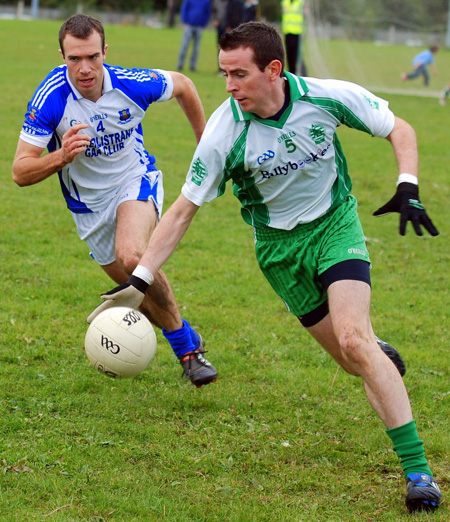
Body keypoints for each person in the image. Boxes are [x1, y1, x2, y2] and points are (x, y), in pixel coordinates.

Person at [87, 22, 441, 512]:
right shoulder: (223, 131)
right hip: (278, 253)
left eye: (239, 73)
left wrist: (407, 183)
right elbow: (183, 210)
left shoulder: (324, 96)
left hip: (335, 227)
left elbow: (398, 127)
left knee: (354, 340)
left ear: (274, 70)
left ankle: (418, 472)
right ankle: (374, 352)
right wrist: (141, 277)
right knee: (352, 358)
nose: (229, 86)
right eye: (223, 73)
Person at [12, 14, 218, 388]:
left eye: (92, 56)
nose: (85, 68)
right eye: (74, 59)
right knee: (134, 287)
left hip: (133, 180)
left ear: (105, 51)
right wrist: (61, 156)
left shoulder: (131, 84)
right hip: (87, 209)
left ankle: (188, 355)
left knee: (133, 258)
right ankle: (186, 336)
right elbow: (19, 171)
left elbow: (185, 86)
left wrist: (206, 144)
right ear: (62, 56)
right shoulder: (50, 99)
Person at [176, 0, 212, 73]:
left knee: (196, 48)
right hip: (189, 25)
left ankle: (192, 66)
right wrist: (184, 21)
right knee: (184, 46)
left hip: (199, 26)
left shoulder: (206, 1)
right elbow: (184, 10)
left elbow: (207, 13)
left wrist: (204, 23)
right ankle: (180, 64)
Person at [282, 0, 308, 76]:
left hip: (298, 33)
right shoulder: (285, 2)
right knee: (289, 56)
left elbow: (306, 15)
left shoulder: (301, 2)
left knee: (297, 56)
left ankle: (304, 75)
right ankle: (292, 74)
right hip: (287, 32)